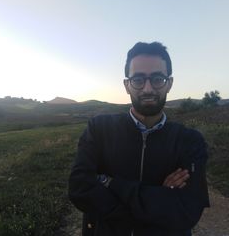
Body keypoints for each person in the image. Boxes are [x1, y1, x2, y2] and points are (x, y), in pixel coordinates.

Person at [68, 42, 210, 236]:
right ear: (127, 85)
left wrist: (111, 183)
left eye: (158, 78)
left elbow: (188, 209)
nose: (148, 89)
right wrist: (160, 199)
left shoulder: (190, 141)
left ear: (169, 83)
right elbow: (79, 189)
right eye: (138, 79)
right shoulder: (99, 129)